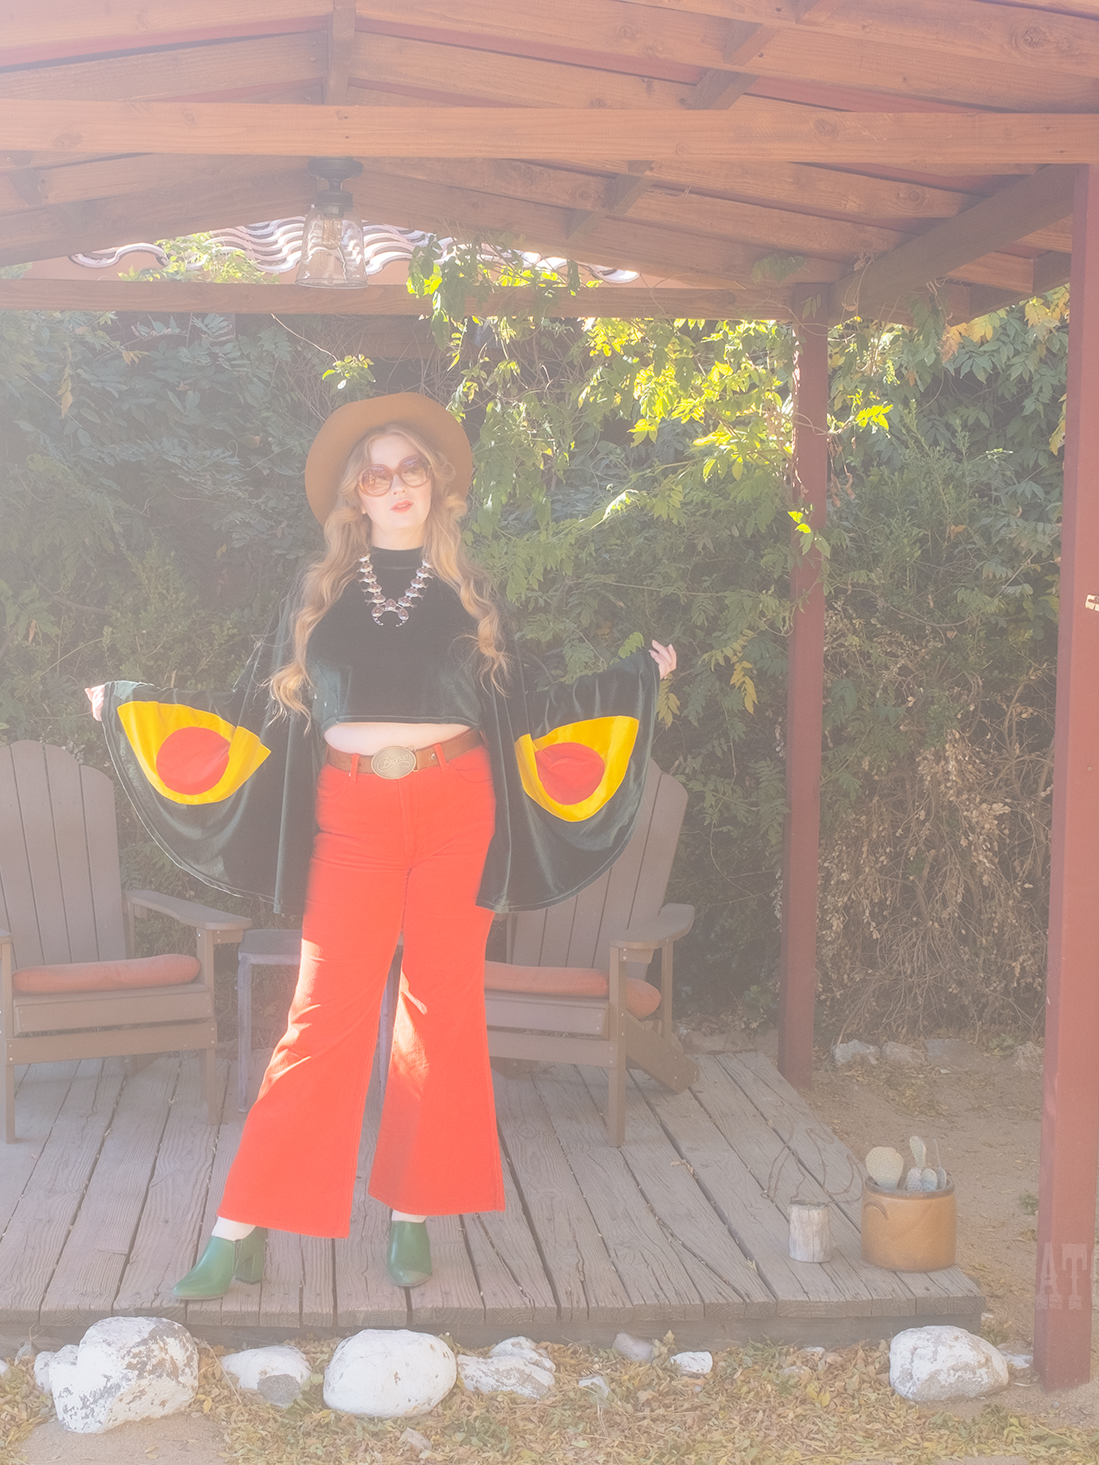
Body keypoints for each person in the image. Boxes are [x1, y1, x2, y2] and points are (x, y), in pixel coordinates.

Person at [87, 392, 677, 1297]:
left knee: (440, 1015)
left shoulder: (474, 593)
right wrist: (131, 707)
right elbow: (255, 713)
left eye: (412, 470)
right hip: (352, 819)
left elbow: (528, 713)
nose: (395, 485)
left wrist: (637, 683)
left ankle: (412, 1213)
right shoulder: (314, 595)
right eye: (377, 472)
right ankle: (240, 1225)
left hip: (458, 809)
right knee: (321, 1018)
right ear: (354, 495)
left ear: (436, 487)